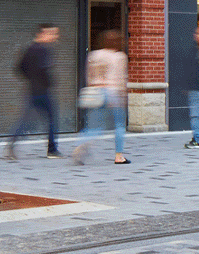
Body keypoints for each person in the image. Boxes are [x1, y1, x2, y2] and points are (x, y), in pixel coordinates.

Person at [7, 23, 63, 160]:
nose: (55, 36)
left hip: (32, 89)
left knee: (27, 120)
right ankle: (52, 150)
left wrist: (31, 79)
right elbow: (43, 69)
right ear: (42, 33)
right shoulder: (43, 50)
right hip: (42, 91)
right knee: (51, 120)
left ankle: (12, 144)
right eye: (52, 33)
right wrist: (47, 82)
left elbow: (19, 67)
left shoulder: (30, 48)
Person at [72, 30, 129, 165]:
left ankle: (81, 144)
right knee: (119, 125)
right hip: (113, 93)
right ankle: (119, 156)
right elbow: (121, 79)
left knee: (94, 127)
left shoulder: (94, 55)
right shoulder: (119, 56)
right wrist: (123, 96)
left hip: (96, 92)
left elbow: (89, 75)